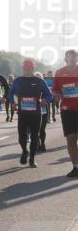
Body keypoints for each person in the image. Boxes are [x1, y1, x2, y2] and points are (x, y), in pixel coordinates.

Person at [8, 60, 53, 167]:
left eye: (30, 69)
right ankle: (24, 151)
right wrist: (13, 103)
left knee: (34, 136)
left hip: (36, 114)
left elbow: (49, 94)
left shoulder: (39, 81)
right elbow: (11, 93)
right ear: (23, 69)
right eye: (26, 69)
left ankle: (32, 159)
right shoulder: (18, 80)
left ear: (33, 69)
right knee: (21, 137)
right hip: (23, 114)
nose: (28, 71)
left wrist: (44, 100)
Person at [52, 49, 78, 178]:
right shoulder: (60, 73)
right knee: (71, 139)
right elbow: (56, 90)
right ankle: (76, 167)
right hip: (67, 110)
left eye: (74, 57)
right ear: (65, 59)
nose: (72, 60)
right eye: (69, 58)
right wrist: (56, 95)